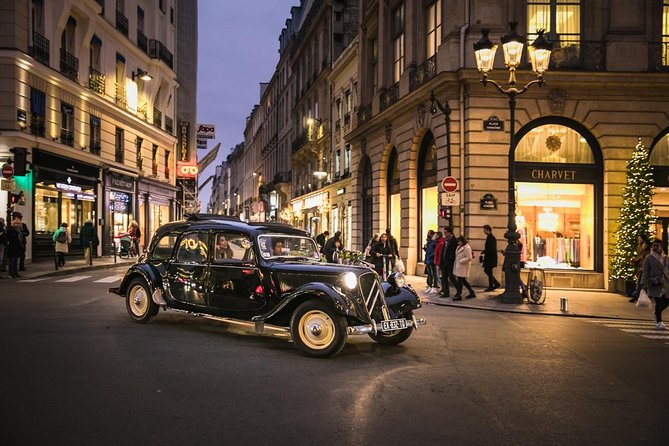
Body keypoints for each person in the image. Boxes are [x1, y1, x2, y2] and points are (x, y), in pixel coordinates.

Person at [641, 239, 669, 330]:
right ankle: (659, 322)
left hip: (665, 283)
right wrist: (643, 283)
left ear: (661, 247)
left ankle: (657, 313)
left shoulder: (665, 257)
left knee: (666, 301)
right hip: (654, 283)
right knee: (659, 301)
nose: (654, 247)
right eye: (653, 245)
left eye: (657, 245)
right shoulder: (649, 257)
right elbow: (645, 271)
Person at [453, 236, 476, 300]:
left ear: (462, 241)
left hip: (463, 266)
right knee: (463, 280)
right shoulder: (458, 247)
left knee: (460, 280)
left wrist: (461, 261)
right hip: (459, 266)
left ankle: (458, 294)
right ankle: (472, 292)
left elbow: (469, 257)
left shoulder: (467, 248)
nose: (458, 243)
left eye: (459, 241)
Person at [437, 226, 458, 298]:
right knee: (444, 277)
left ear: (449, 232)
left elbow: (453, 253)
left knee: (452, 278)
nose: (444, 234)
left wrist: (450, 260)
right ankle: (446, 292)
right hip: (444, 262)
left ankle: (459, 291)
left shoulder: (454, 241)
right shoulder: (446, 240)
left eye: (445, 232)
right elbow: (443, 252)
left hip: (450, 263)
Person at [630, 234, 651, 303]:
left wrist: (642, 266)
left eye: (640, 238)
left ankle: (637, 295)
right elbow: (640, 256)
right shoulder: (640, 247)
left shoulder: (646, 247)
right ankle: (637, 295)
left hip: (643, 266)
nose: (638, 240)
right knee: (640, 281)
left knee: (640, 282)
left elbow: (644, 257)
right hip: (640, 266)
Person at [482, 224, 501, 292]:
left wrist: (485, 253)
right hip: (490, 258)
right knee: (488, 271)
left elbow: (491, 249)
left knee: (488, 271)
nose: (483, 231)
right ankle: (495, 283)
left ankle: (492, 285)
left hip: (491, 258)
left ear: (487, 230)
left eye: (484, 229)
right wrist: (484, 252)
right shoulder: (489, 237)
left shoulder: (491, 238)